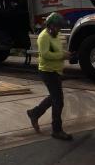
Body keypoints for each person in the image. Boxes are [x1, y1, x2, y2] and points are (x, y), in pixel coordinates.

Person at [26, 12, 73, 141]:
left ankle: (34, 113)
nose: (59, 29)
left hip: (56, 71)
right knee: (59, 101)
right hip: (47, 71)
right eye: (57, 26)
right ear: (50, 25)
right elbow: (46, 54)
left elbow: (57, 51)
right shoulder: (44, 37)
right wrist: (62, 56)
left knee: (54, 97)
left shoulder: (56, 36)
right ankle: (56, 130)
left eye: (60, 27)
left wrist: (65, 53)